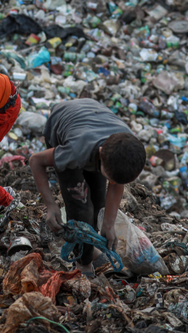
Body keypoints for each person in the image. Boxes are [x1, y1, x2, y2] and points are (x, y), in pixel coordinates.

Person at [28, 98, 146, 274]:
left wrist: (108, 224)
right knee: (81, 209)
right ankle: (83, 263)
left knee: (98, 205)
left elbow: (116, 184)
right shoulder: (74, 151)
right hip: (63, 123)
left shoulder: (126, 146)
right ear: (100, 155)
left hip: (92, 116)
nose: (112, 183)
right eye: (110, 177)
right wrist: (51, 205)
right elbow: (36, 160)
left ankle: (90, 249)